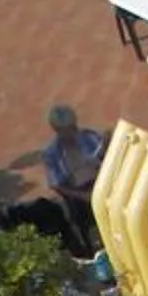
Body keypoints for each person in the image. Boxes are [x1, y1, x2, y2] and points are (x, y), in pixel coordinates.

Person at [40, 104, 107, 249]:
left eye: (73, 126)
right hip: (78, 193)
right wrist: (81, 195)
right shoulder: (52, 154)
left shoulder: (89, 136)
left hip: (100, 182)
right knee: (86, 223)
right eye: (67, 129)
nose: (72, 131)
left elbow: (105, 156)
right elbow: (56, 184)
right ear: (57, 130)